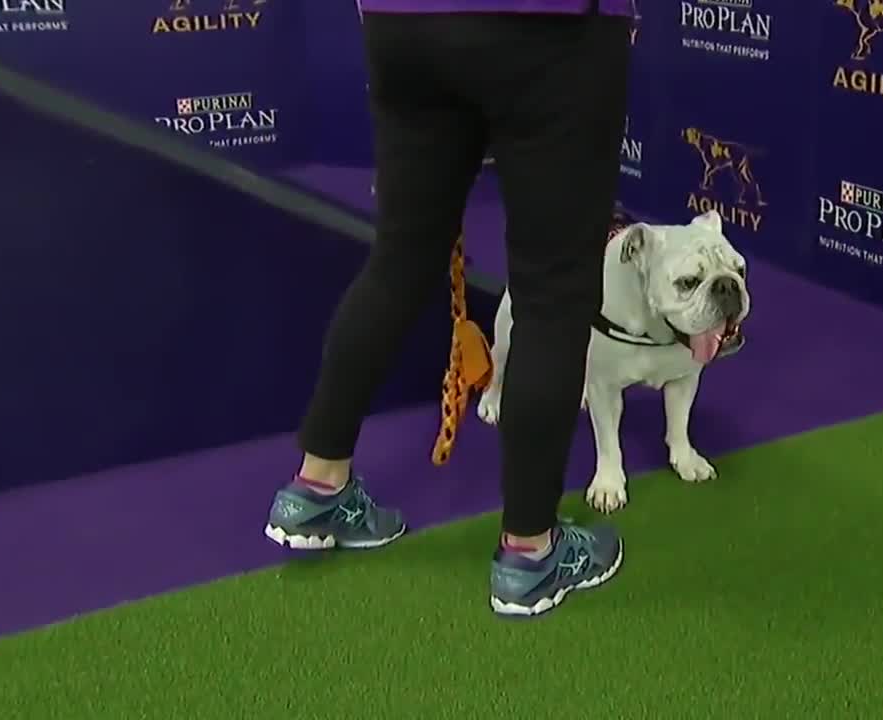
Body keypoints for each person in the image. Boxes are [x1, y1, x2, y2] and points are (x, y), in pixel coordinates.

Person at [262, 0, 634, 618]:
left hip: (405, 22)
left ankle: (316, 487)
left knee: (400, 260)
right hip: (550, 26)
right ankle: (530, 553)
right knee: (554, 291)